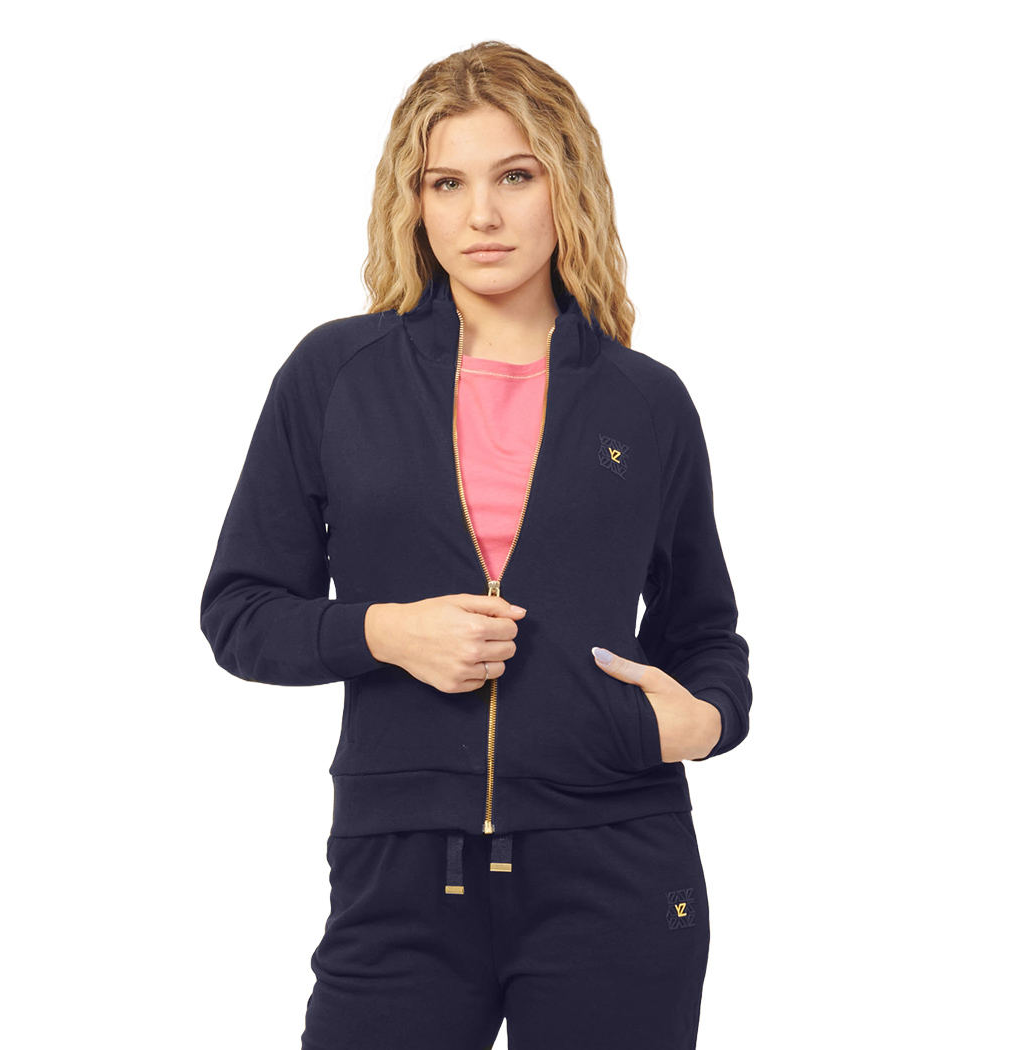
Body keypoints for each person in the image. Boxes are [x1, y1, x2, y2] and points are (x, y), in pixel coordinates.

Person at [200, 40, 751, 1050]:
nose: (481, 215)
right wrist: (385, 633)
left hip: (615, 863)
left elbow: (706, 631)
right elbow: (241, 612)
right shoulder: (336, 376)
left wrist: (707, 721)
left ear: (566, 185)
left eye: (515, 177)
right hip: (401, 872)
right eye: (446, 183)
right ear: (413, 201)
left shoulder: (646, 401)